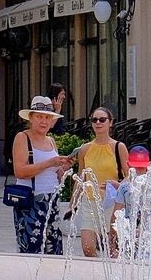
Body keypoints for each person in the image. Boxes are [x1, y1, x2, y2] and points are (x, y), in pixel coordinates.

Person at [9, 95, 71, 254]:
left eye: (47, 117)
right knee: (31, 249)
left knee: (55, 248)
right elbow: (20, 171)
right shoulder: (23, 138)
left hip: (52, 200)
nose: (44, 121)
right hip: (30, 200)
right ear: (31, 118)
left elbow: (55, 174)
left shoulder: (50, 140)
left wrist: (64, 168)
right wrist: (50, 163)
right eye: (39, 117)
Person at [72, 107, 123, 257]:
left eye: (102, 120)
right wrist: (73, 203)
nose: (98, 123)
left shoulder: (118, 147)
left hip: (112, 203)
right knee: (88, 248)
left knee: (112, 249)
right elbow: (81, 176)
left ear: (110, 123)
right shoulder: (85, 149)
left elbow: (129, 176)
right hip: (90, 202)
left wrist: (116, 184)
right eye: (94, 120)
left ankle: (112, 277)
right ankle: (97, 273)